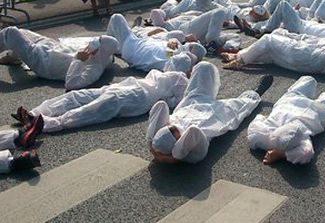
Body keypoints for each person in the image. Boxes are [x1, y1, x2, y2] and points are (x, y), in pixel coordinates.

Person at [147, 62, 273, 164]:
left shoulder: (167, 130)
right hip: (215, 116)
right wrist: (172, 158)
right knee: (241, 105)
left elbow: (159, 107)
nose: (172, 127)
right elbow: (193, 132)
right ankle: (256, 92)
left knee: (204, 67)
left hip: (193, 103)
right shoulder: (191, 149)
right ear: (176, 145)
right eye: (175, 133)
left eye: (169, 128)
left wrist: (152, 145)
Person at [15, 69, 188, 133]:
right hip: (125, 88)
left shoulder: (183, 83)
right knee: (78, 97)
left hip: (134, 97)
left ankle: (46, 123)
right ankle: (35, 113)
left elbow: (174, 103)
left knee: (91, 110)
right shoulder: (176, 73)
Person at [248, 76, 325, 164]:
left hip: (291, 102)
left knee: (309, 79)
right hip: (314, 113)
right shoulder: (303, 138)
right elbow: (306, 154)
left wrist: (263, 118)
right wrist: (281, 154)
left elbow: (255, 125)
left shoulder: (261, 137)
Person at [0, 27, 119, 89]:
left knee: (10, 33)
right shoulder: (105, 56)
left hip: (43, 62)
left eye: (96, 44)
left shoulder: (94, 70)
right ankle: (14, 57)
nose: (92, 44)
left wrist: (78, 59)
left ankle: (15, 55)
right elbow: (112, 48)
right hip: (52, 46)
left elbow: (72, 84)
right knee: (22, 32)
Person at [221, 28, 325, 75]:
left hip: (302, 53)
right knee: (272, 54)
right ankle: (240, 56)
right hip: (300, 65)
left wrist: (292, 36)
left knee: (269, 39)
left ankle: (240, 61)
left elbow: (312, 41)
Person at [106, 13, 206, 73]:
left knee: (116, 18)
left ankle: (107, 47)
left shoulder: (176, 51)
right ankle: (112, 48)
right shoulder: (175, 62)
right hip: (135, 52)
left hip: (134, 44)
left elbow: (171, 47)